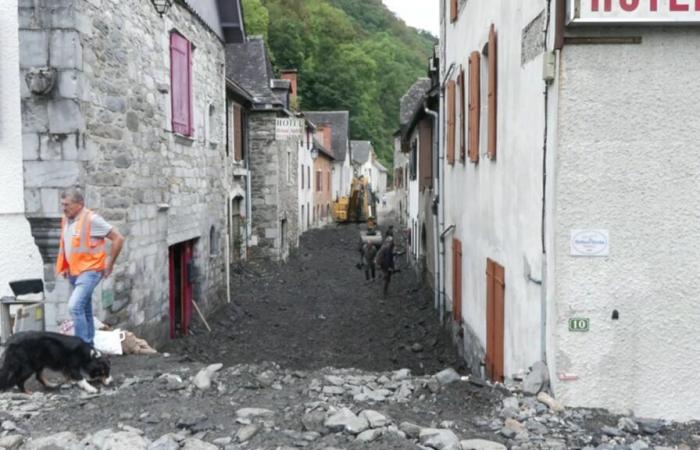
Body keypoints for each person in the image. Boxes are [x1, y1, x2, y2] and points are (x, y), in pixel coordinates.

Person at [56, 188, 125, 345]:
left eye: (67, 205)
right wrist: (66, 266)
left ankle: (81, 348)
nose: (64, 208)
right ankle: (90, 348)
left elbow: (118, 238)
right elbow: (68, 244)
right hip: (75, 272)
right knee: (85, 310)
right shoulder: (66, 219)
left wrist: (110, 263)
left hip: (90, 271)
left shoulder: (92, 219)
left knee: (75, 306)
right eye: (62, 204)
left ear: (79, 204)